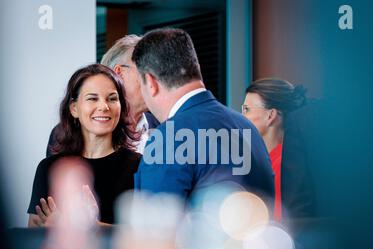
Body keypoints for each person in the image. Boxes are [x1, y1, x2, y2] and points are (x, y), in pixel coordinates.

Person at [132, 28, 274, 205]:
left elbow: (155, 228)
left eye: (140, 84)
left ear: (151, 83)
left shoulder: (168, 137)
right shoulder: (246, 127)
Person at [28, 64, 141, 227]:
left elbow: (145, 238)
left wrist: (92, 226)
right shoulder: (48, 169)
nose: (104, 106)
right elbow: (31, 239)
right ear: (74, 108)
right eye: (92, 98)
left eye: (112, 98)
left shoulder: (139, 166)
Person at [46, 35, 159, 157]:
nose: (156, 80)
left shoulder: (165, 127)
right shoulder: (67, 134)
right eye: (148, 70)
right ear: (119, 73)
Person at [242, 78, 314, 220]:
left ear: (271, 115)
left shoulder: (281, 167)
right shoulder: (265, 163)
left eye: (246, 110)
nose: (240, 116)